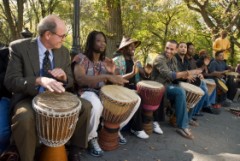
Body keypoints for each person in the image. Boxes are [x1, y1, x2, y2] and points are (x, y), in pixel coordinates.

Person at [4, 15, 92, 161]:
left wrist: (64, 78)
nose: (64, 39)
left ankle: (75, 150)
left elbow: (70, 81)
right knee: (24, 117)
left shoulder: (63, 52)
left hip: (57, 96)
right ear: (48, 34)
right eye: (62, 36)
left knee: (86, 106)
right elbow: (11, 81)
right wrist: (38, 80)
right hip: (29, 97)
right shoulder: (19, 47)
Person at [72, 31, 133, 157]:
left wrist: (113, 74)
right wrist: (105, 76)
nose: (102, 44)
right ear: (91, 42)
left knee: (134, 101)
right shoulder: (80, 58)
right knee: (96, 105)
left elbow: (116, 80)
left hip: (104, 92)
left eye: (104, 41)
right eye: (98, 41)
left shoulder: (107, 61)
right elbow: (80, 79)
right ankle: (91, 138)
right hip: (86, 92)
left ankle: (113, 129)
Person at [113, 36, 165, 139]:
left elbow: (144, 74)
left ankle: (153, 122)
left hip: (135, 87)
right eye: (130, 46)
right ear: (123, 49)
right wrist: (132, 73)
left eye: (134, 46)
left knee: (158, 92)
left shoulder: (136, 61)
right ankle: (136, 128)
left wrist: (147, 72)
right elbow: (116, 79)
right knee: (138, 96)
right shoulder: (116, 61)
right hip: (121, 89)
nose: (133, 48)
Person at [152, 40, 202, 140]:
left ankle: (182, 123)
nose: (168, 51)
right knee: (180, 91)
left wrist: (190, 75)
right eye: (167, 48)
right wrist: (188, 72)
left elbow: (176, 74)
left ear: (175, 50)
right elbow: (169, 74)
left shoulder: (173, 59)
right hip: (158, 85)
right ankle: (183, 125)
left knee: (184, 90)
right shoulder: (160, 59)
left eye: (171, 49)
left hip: (169, 84)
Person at [0, 47, 12, 155]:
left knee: (2, 133)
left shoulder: (5, 53)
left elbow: (8, 79)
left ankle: (4, 154)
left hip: (3, 96)